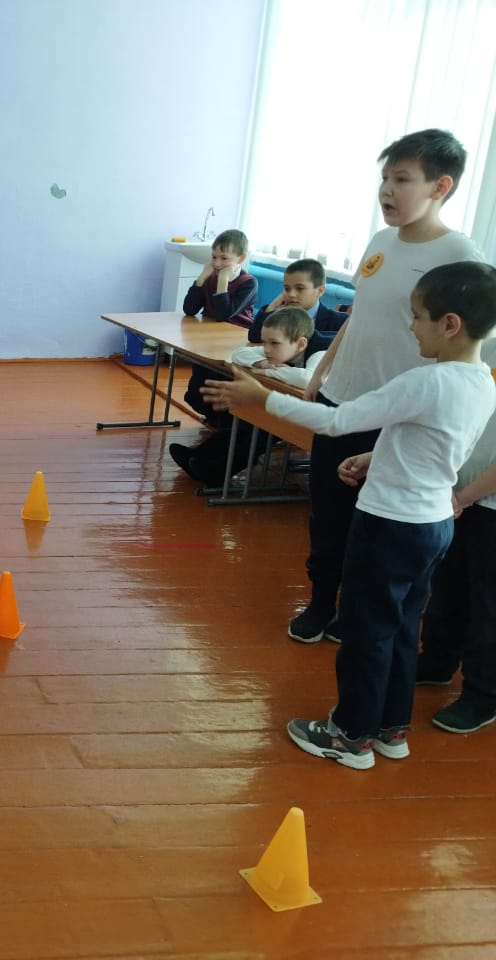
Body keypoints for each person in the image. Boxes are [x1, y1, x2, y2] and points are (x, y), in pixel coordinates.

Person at [202, 260, 496, 769]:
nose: (411, 327)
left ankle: (351, 735)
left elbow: (337, 420)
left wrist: (263, 397)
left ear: (450, 324)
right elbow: (430, 440)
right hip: (433, 524)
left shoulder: (427, 381)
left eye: (418, 316)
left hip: (390, 525)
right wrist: (376, 456)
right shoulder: (481, 381)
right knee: (401, 628)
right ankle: (390, 729)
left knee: (365, 631)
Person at [288, 129, 484, 644]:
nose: (387, 190)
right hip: (341, 398)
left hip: (397, 413)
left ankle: (356, 614)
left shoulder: (460, 254)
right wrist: (322, 371)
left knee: (372, 526)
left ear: (440, 187)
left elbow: (467, 342)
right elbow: (361, 314)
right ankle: (320, 601)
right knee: (327, 513)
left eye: (402, 179)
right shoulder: (380, 241)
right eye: (384, 178)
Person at [415, 351, 496, 734]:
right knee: (448, 583)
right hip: (458, 490)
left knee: (488, 602)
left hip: (484, 500)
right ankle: (438, 659)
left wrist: (464, 496)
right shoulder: (482, 345)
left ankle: (483, 693)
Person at [170, 306, 324, 484]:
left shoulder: (320, 350)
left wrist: (267, 372)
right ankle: (199, 455)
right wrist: (263, 363)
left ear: (301, 344)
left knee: (263, 430)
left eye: (274, 343)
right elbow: (239, 354)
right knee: (249, 422)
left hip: (326, 414)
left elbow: (307, 379)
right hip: (297, 404)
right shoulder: (282, 345)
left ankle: (215, 472)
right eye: (264, 342)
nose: (266, 349)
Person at [179, 229, 258, 420]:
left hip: (234, 343)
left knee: (220, 391)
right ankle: (213, 422)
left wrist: (222, 281)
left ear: (241, 258)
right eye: (214, 257)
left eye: (224, 258)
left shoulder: (249, 283)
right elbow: (189, 309)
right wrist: (201, 279)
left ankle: (222, 426)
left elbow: (224, 314)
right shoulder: (210, 277)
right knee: (197, 392)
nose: (217, 263)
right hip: (208, 339)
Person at [245, 258, 346, 349]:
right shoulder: (282, 315)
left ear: (320, 291)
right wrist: (272, 307)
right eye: (287, 288)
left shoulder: (340, 322)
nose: (291, 294)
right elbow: (254, 337)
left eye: (300, 288)